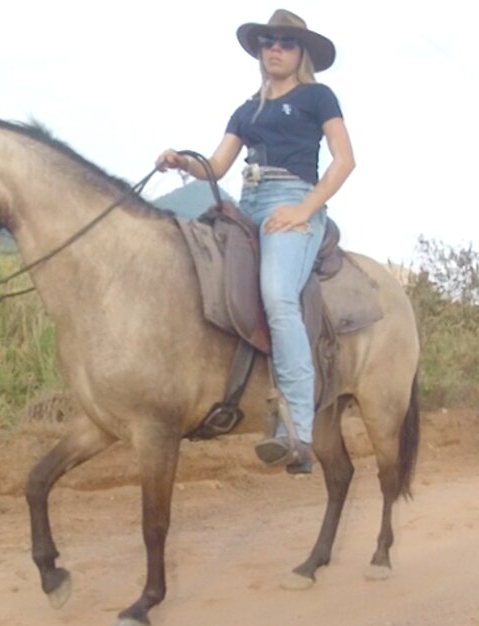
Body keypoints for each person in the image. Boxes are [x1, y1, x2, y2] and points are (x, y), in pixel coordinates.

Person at [155, 8, 355, 474]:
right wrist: (182, 160)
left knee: (278, 296)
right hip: (247, 201)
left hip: (293, 200)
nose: (275, 50)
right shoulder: (247, 109)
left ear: (301, 52)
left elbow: (345, 160)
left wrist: (305, 211)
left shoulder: (318, 97)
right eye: (268, 42)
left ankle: (298, 432)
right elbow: (218, 168)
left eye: (285, 43)